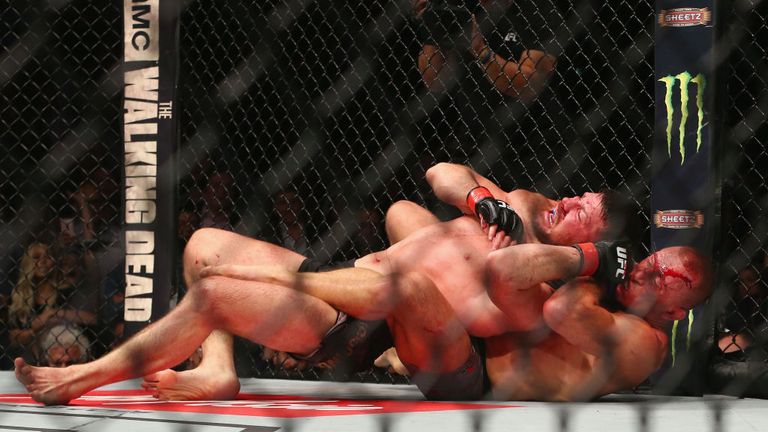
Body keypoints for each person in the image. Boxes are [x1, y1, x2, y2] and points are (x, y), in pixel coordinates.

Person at [13, 163, 637, 404]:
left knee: (214, 290)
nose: (573, 199)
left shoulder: (543, 284)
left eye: (588, 211)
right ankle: (218, 366)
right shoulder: (521, 204)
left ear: (592, 243)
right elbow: (441, 171)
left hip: (387, 321)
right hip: (354, 284)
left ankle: (79, 378)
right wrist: (479, 199)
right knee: (202, 245)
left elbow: (513, 277)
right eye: (580, 192)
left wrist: (574, 258)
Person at [415, 0, 557, 100]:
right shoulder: (461, 7)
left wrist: (480, 49)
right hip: (472, 134)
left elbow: (530, 85)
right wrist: (431, 27)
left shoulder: (537, 8)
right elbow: (434, 82)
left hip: (529, 136)